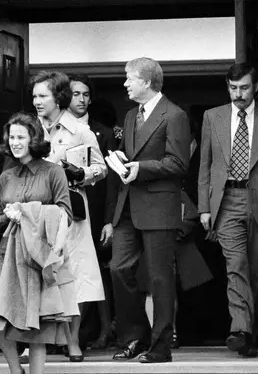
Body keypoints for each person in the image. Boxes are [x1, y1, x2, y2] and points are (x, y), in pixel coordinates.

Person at [197, 62, 258, 357]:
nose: (238, 94)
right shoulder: (212, 117)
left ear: (256, 88)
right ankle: (240, 330)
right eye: (233, 88)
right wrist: (203, 207)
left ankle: (251, 335)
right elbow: (206, 165)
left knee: (256, 271)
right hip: (226, 203)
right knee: (236, 266)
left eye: (244, 88)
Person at [108, 57, 190, 364]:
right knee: (118, 268)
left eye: (129, 78)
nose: (125, 84)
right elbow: (133, 154)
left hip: (159, 204)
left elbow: (179, 163)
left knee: (159, 278)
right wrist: (121, 158)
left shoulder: (175, 115)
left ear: (147, 81)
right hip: (128, 203)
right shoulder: (131, 116)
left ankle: (160, 346)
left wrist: (139, 167)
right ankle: (134, 337)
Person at [0, 112, 78, 374]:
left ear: (34, 139)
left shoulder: (53, 172)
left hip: (40, 256)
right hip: (8, 256)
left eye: (21, 137)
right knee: (0, 320)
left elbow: (66, 213)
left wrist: (28, 211)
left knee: (37, 326)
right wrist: (7, 215)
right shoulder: (7, 175)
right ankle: (16, 371)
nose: (15, 142)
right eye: (12, 137)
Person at [32, 71, 107, 361]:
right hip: (37, 211)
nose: (37, 101)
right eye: (35, 96)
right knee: (38, 276)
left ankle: (72, 340)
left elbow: (101, 168)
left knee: (75, 276)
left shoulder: (80, 130)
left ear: (58, 97)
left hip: (72, 211)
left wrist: (82, 173)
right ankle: (37, 340)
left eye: (43, 96)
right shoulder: (28, 128)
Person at [67, 74, 118, 349]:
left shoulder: (104, 132)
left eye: (86, 94)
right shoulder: (54, 130)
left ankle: (94, 333)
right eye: (76, 94)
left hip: (95, 214)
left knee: (93, 275)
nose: (82, 99)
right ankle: (68, 336)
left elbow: (111, 182)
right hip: (66, 215)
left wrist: (109, 221)